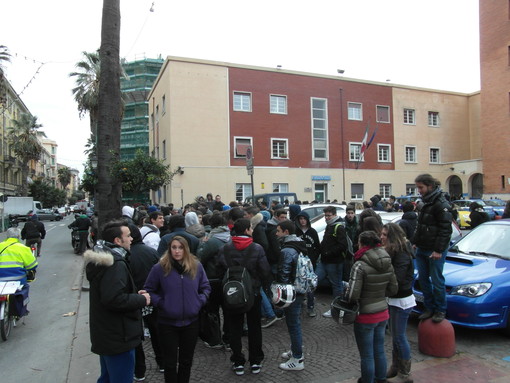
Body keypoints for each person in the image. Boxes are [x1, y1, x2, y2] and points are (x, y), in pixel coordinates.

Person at [84, 219, 151, 383]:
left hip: (107, 334)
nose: (131, 239)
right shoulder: (115, 264)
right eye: (128, 236)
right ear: (117, 241)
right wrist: (141, 299)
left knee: (107, 378)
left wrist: (134, 294)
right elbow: (114, 299)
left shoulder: (103, 259)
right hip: (119, 336)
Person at [144, 236, 210, 383]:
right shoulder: (160, 268)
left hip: (191, 322)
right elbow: (149, 289)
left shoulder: (196, 266)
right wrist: (162, 303)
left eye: (180, 247)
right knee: (170, 363)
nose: (177, 251)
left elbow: (205, 287)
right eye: (174, 247)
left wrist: (199, 301)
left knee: (186, 361)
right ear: (169, 249)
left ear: (186, 249)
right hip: (167, 323)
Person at [217, 218, 272, 376]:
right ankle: (255, 361)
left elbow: (219, 270)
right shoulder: (257, 248)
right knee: (254, 327)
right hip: (252, 293)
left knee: (234, 328)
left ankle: (237, 361)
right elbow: (265, 271)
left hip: (232, 292)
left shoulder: (225, 248)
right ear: (247, 230)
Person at [347, 231, 398, 383]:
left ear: (362, 244)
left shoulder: (359, 264)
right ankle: (380, 379)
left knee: (367, 355)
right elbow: (393, 289)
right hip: (382, 312)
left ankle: (367, 380)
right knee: (379, 350)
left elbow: (352, 296)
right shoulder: (387, 260)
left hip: (365, 315)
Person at [413, 174, 453, 323]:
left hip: (434, 250)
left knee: (437, 281)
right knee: (423, 280)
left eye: (421, 187)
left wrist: (438, 250)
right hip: (422, 247)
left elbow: (445, 230)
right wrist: (415, 242)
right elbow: (421, 226)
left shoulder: (441, 204)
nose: (419, 190)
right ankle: (429, 308)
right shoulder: (425, 202)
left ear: (430, 186)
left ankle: (440, 310)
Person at [381, 223, 415, 383]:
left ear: (393, 236)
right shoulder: (393, 250)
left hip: (401, 300)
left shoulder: (401, 253)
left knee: (399, 336)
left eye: (385, 234)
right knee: (395, 336)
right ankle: (396, 366)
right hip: (395, 298)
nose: (381, 237)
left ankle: (405, 372)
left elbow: (398, 278)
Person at [128, 224, 163, 380]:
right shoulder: (151, 252)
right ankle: (162, 363)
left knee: (136, 334)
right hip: (152, 297)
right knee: (156, 331)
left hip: (134, 299)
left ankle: (139, 370)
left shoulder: (126, 255)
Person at [275, 219, 308, 371]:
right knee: (295, 323)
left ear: (286, 232)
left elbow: (284, 274)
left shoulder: (287, 250)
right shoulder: (299, 243)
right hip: (300, 288)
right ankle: (295, 349)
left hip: (292, 291)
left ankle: (297, 358)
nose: (276, 233)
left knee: (293, 324)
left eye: (278, 231)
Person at [196, 213, 232, 349]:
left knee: (212, 310)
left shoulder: (211, 241)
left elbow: (200, 258)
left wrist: (202, 244)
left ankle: (215, 339)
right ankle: (229, 339)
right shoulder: (230, 237)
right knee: (228, 310)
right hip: (228, 278)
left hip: (213, 278)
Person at [318, 206, 347, 318]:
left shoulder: (339, 227)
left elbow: (342, 246)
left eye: (329, 215)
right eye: (325, 215)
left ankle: (336, 309)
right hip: (324, 261)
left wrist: (328, 253)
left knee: (336, 286)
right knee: (316, 279)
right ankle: (343, 285)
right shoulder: (330, 226)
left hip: (334, 262)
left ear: (334, 215)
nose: (326, 218)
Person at [294, 210, 321, 317]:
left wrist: (313, 259)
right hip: (299, 263)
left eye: (304, 219)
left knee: (310, 285)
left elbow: (317, 247)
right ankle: (299, 306)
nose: (302, 221)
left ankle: (310, 307)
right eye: (300, 219)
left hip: (310, 263)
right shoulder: (296, 232)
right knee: (299, 284)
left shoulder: (313, 232)